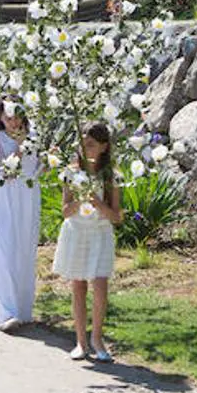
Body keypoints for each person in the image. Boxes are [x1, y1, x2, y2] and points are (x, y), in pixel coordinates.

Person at [54, 123, 122, 362]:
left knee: (100, 283)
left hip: (100, 233)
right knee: (78, 286)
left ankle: (97, 339)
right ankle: (81, 342)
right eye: (82, 144)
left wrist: (98, 203)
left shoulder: (111, 176)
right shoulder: (71, 173)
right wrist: (80, 198)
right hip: (77, 232)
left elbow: (116, 217)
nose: (85, 149)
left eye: (91, 145)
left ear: (104, 147)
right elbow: (65, 211)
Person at [0, 96, 41, 332]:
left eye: (16, 117)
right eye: (8, 118)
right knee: (3, 246)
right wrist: (20, 147)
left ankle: (22, 307)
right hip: (6, 193)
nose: (13, 123)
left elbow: (36, 167)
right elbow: (4, 169)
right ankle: (3, 310)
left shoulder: (34, 137)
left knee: (24, 247)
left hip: (28, 193)